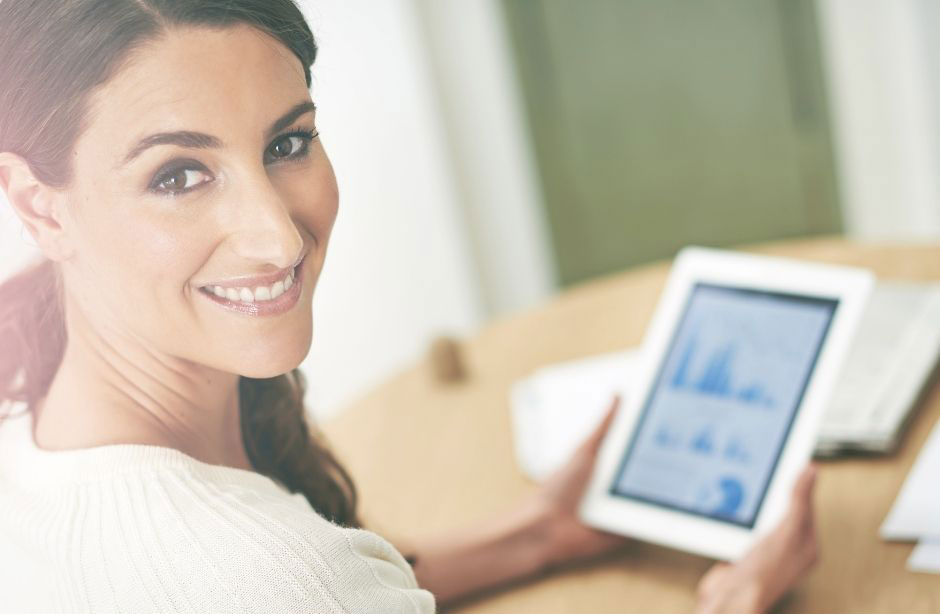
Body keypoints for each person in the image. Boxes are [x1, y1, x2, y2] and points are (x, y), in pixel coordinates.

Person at [0, 1, 818, 612]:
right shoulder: (279, 580)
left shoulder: (26, 422)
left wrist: (534, 534)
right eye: (178, 175)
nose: (278, 239)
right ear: (40, 207)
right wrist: (738, 602)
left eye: (288, 143)